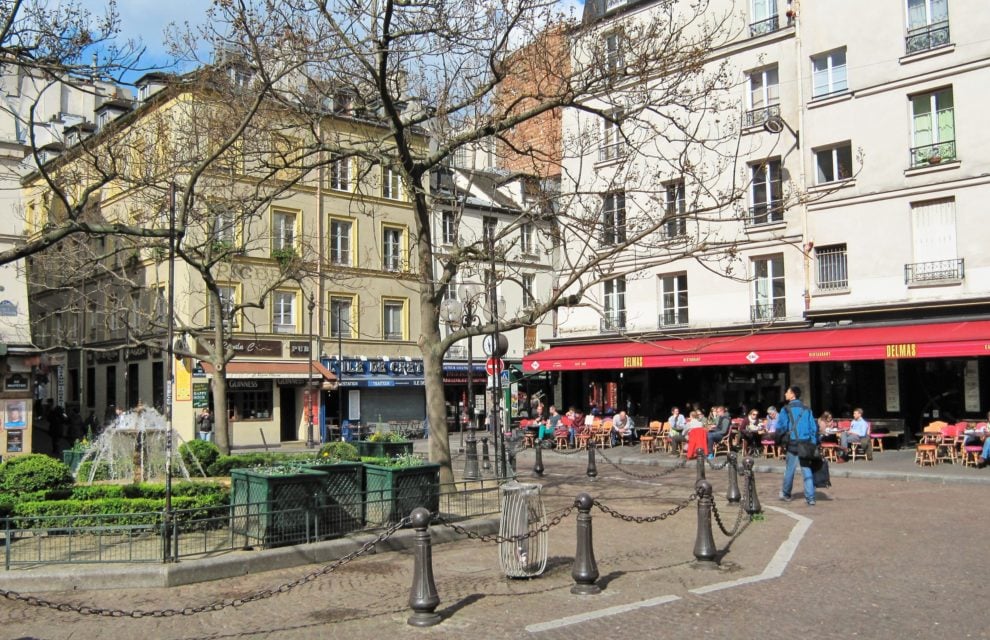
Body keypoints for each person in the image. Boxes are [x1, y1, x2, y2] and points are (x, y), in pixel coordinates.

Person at [777, 385, 819, 505]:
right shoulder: (807, 409)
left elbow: (781, 427)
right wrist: (813, 443)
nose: (785, 394)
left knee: (790, 470)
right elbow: (813, 428)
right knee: (807, 470)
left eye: (787, 392)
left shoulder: (785, 409)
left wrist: (779, 440)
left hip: (792, 443)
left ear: (793, 395)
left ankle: (786, 493)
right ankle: (810, 498)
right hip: (805, 443)